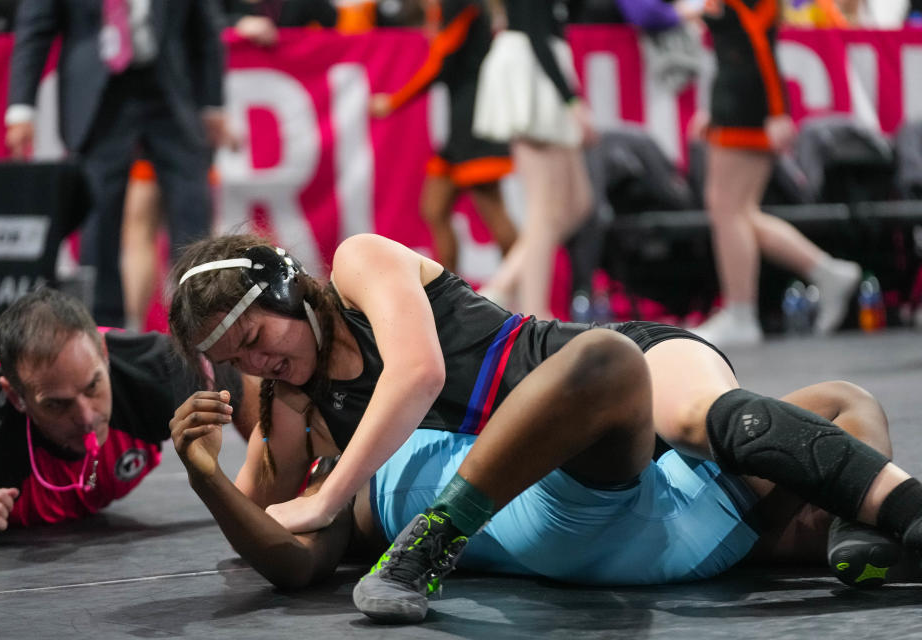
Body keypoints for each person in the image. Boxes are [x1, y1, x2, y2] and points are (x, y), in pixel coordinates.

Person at [167, 232, 922, 622]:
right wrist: (206, 471)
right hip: (580, 468)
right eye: (236, 361)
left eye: (256, 338)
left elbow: (419, 374)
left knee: (706, 416)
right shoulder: (292, 401)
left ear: (288, 288)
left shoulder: (360, 265)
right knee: (837, 403)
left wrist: (331, 497)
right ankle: (866, 528)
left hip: (604, 374)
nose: (258, 364)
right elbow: (270, 517)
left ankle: (882, 523)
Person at [170, 379, 919, 593]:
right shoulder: (343, 492)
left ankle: (861, 533)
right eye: (298, 409)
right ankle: (870, 525)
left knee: (843, 404)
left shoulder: (412, 413)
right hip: (596, 519)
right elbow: (292, 562)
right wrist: (207, 479)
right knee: (610, 364)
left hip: (632, 500)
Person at [0, 288, 257, 545]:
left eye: (93, 387)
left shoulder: (156, 371)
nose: (87, 417)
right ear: (16, 397)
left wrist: (273, 492)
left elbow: (246, 390)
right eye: (57, 405)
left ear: (104, 354)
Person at [5, 0, 229, 327]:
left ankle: (202, 326)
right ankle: (105, 332)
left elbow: (205, 28)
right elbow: (34, 30)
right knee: (98, 220)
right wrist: (21, 109)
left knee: (192, 211)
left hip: (170, 89)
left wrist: (212, 104)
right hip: (98, 94)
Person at [688, 0, 862, 347]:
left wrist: (778, 110)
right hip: (736, 101)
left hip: (748, 107)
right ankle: (827, 272)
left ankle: (741, 312)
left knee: (727, 209)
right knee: (740, 213)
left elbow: (759, 44)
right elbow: (737, 43)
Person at [369, 0, 517, 273]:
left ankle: (523, 288)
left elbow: (440, 62)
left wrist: (392, 102)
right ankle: (451, 294)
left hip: (477, 129)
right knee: (434, 208)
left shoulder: (461, 4)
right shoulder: (449, 7)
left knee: (496, 217)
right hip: (460, 131)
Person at [471, 0, 596, 319]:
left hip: (544, 62)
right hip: (532, 67)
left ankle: (501, 286)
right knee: (545, 211)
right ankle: (534, 313)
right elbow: (536, 32)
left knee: (577, 202)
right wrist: (571, 101)